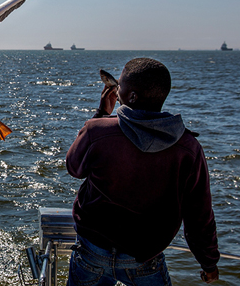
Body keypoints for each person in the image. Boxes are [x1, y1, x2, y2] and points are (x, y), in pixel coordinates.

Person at [66, 58, 219, 285]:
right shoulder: (188, 148)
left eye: (120, 85)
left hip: (93, 249)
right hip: (145, 256)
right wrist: (208, 263)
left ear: (133, 96)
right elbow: (199, 213)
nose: (116, 90)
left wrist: (101, 114)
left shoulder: (98, 131)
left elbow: (74, 167)